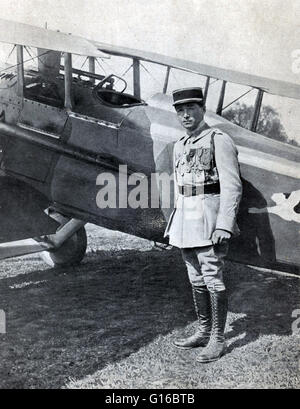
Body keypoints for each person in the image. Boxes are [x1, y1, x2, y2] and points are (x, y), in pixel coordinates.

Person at [164, 87, 242, 363]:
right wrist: (175, 222)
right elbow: (179, 188)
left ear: (202, 109)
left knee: (212, 278)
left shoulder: (219, 140)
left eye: (191, 109)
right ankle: (203, 331)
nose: (185, 115)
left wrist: (224, 225)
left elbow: (232, 187)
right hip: (186, 221)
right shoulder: (180, 145)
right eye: (180, 111)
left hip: (209, 221)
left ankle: (217, 339)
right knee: (195, 279)